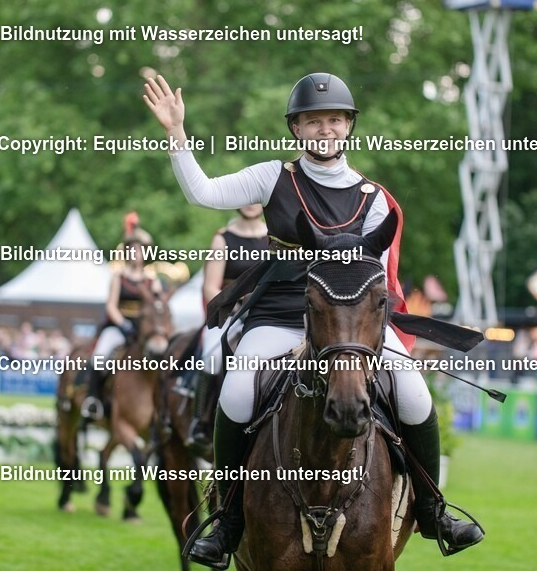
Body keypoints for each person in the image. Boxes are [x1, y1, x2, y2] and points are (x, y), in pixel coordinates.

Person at [144, 72, 484, 568]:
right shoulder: (272, 177)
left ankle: (433, 511)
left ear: (348, 126)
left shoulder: (373, 199)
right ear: (296, 129)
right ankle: (229, 520)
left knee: (413, 393)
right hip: (278, 316)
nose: (325, 129)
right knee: (237, 393)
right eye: (313, 121)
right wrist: (177, 132)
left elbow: (373, 280)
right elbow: (202, 192)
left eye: (334, 120)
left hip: (349, 324)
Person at [186, 203, 269, 454]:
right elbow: (210, 287)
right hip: (230, 314)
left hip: (266, 312)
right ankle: (200, 422)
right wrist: (238, 302)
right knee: (211, 356)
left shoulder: (274, 236)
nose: (251, 204)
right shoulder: (222, 239)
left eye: (256, 199)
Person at [81, 212, 162, 420]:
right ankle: (93, 399)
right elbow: (111, 306)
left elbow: (158, 306)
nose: (136, 253)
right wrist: (124, 324)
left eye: (140, 249)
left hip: (144, 330)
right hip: (120, 327)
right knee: (100, 355)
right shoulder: (118, 277)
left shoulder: (152, 280)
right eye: (132, 249)